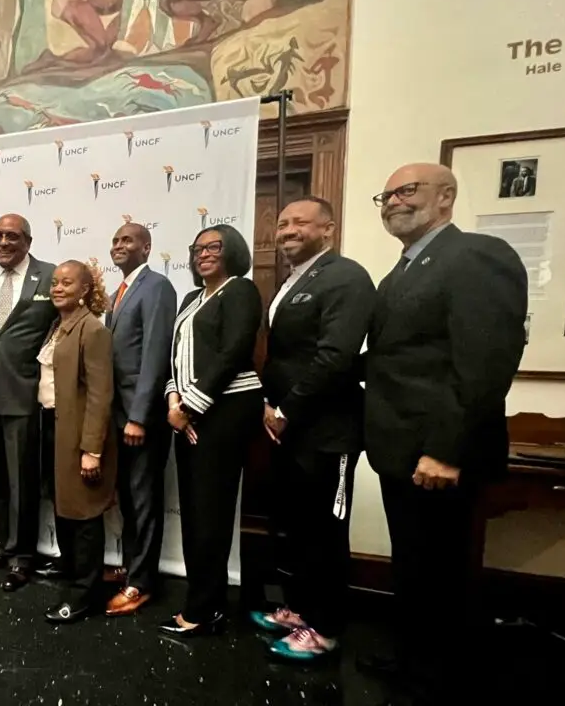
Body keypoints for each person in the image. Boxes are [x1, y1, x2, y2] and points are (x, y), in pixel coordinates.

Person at [360, 163, 527, 701]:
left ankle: (437, 679)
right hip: (399, 449)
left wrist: (446, 450)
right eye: (386, 195)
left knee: (442, 571)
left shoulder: (476, 255)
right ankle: (411, 660)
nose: (393, 202)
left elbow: (485, 363)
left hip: (439, 454)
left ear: (446, 196)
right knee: (413, 564)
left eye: (407, 190)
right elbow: (397, 358)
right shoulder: (402, 272)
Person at [253, 198, 376, 660]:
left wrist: (286, 409)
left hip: (328, 429)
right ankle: (301, 611)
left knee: (326, 532)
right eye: (283, 223)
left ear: (328, 228)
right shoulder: (295, 279)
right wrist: (271, 405)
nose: (288, 230)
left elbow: (335, 356)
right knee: (301, 527)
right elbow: (286, 355)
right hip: (293, 428)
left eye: (300, 222)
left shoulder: (345, 276)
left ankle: (324, 629)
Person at [158, 224, 262, 638]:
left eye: (213, 246)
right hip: (188, 413)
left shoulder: (241, 290)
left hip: (226, 411)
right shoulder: (191, 299)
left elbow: (233, 353)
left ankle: (203, 611)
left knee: (211, 514)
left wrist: (190, 408)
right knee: (197, 512)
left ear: (232, 250)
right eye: (197, 248)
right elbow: (175, 358)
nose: (203, 253)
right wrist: (173, 402)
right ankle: (207, 601)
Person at [0, 214, 57, 592]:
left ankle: (23, 556)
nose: (3, 242)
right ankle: (2, 545)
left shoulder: (49, 275)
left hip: (24, 394)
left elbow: (63, 328)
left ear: (28, 241)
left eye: (12, 236)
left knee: (23, 481)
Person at [103, 223, 176, 617]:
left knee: (144, 499)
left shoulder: (157, 287)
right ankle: (132, 567)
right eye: (115, 240)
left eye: (127, 240)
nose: (119, 245)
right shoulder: (119, 292)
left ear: (146, 248)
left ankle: (142, 584)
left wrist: (139, 417)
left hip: (139, 418)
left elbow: (155, 354)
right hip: (118, 415)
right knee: (128, 499)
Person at [38, 261, 116, 623]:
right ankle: (72, 575)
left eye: (67, 283)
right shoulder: (58, 325)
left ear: (85, 290)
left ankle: (86, 595)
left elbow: (100, 395)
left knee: (84, 516)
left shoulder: (93, 329)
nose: (57, 288)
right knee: (65, 509)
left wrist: (92, 450)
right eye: (55, 282)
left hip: (79, 436)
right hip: (55, 428)